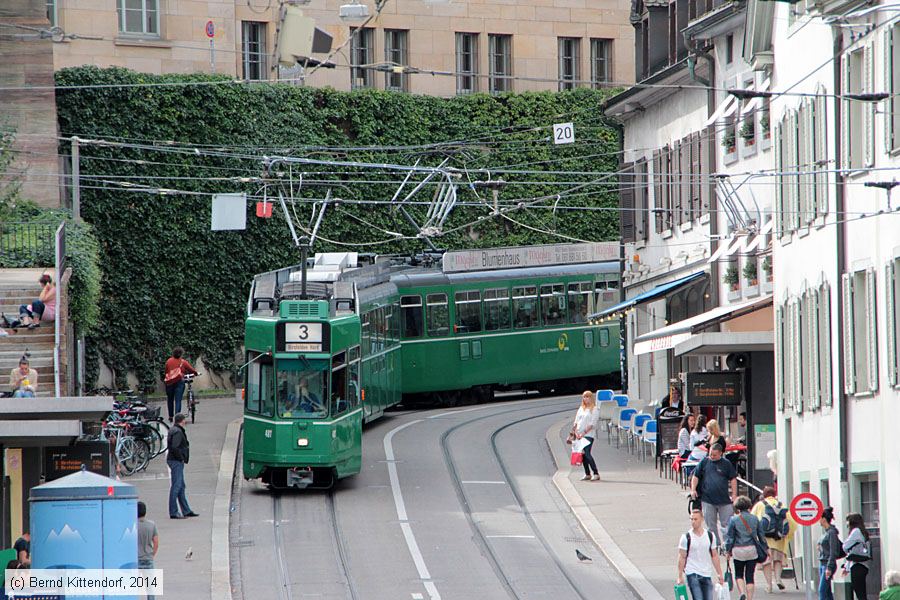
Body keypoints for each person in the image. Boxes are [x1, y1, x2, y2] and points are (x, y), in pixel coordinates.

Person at [691, 442, 737, 546]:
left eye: (714, 455)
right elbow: (696, 476)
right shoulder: (704, 462)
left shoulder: (726, 463)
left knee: (726, 525)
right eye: (710, 454)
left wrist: (734, 494)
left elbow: (733, 479)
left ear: (721, 453)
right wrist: (693, 489)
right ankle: (716, 545)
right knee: (711, 525)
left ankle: (727, 545)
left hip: (724, 500)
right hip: (707, 499)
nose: (712, 456)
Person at [751, 486, 796, 593]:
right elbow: (792, 522)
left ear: (764, 495)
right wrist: (787, 535)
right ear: (775, 495)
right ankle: (778, 579)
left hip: (765, 540)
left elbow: (752, 520)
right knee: (778, 560)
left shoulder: (759, 505)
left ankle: (769, 585)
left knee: (766, 562)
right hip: (779, 539)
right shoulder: (781, 505)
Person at [725, 495, 768, 600]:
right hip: (752, 550)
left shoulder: (733, 520)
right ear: (749, 505)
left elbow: (730, 537)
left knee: (739, 574)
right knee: (750, 576)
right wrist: (765, 548)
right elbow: (761, 535)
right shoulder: (755, 519)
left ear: (737, 507)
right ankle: (749, 598)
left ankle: (742, 593)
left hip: (738, 550)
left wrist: (728, 551)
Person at [677, 509, 725, 600]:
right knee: (698, 597)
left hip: (706, 573)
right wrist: (680, 576)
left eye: (695, 519)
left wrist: (719, 573)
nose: (693, 522)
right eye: (691, 519)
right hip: (692, 572)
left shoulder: (710, 536)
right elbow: (682, 556)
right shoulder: (686, 537)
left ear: (702, 519)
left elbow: (714, 555)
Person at [166, 414, 199, 519]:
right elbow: (175, 447)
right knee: (176, 486)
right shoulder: (178, 432)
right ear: (182, 421)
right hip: (176, 461)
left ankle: (186, 510)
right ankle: (173, 512)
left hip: (174, 460)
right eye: (184, 420)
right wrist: (181, 458)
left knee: (181, 486)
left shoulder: (174, 430)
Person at [163, 347, 198, 422]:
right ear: (181, 354)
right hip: (179, 382)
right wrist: (196, 373)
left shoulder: (168, 361)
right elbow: (191, 370)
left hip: (169, 383)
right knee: (178, 400)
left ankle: (170, 416)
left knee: (170, 399)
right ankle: (177, 417)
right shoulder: (183, 362)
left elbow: (166, 371)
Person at [572, 390, 600, 481]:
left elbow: (592, 424)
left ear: (591, 398)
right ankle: (587, 473)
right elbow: (576, 421)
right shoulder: (581, 408)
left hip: (588, 435)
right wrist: (576, 432)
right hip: (579, 434)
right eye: (584, 397)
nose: (586, 399)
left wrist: (583, 433)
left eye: (588, 397)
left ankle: (596, 473)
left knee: (587, 453)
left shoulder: (595, 409)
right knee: (582, 454)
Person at [843, 513, 871, 600]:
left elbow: (845, 546)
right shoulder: (862, 531)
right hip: (863, 565)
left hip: (857, 566)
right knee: (861, 592)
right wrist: (846, 567)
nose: (847, 524)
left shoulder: (856, 531)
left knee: (860, 593)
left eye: (848, 521)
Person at [818, 507, 842, 600]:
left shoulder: (831, 533)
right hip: (822, 563)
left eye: (819, 518)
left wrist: (829, 567)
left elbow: (833, 551)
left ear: (824, 519)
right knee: (827, 591)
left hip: (827, 564)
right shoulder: (826, 532)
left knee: (822, 590)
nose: (818, 521)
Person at [137, 501, 159, 600]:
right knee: (150, 587)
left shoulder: (132, 525)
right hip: (148, 558)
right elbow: (156, 542)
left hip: (135, 559)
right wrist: (152, 554)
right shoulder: (151, 525)